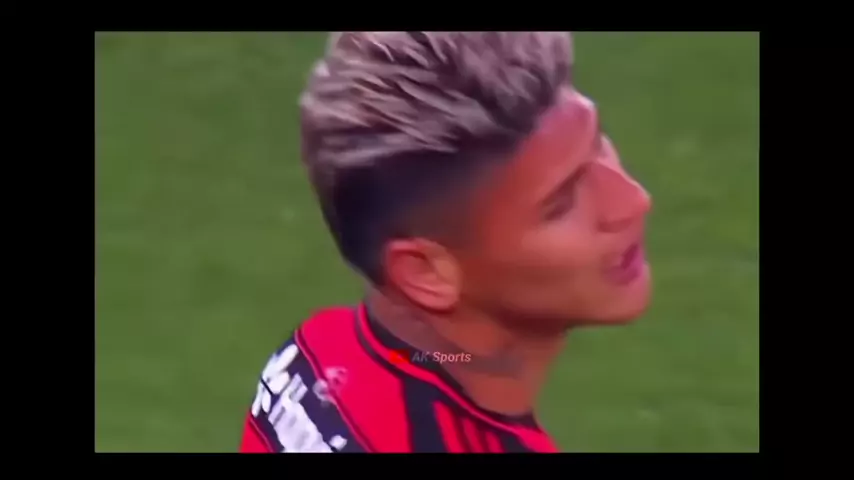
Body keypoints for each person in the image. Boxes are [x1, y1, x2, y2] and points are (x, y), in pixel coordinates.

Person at [239, 31, 652, 453]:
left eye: (599, 145)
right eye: (560, 204)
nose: (633, 202)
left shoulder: (316, 353)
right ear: (425, 272)